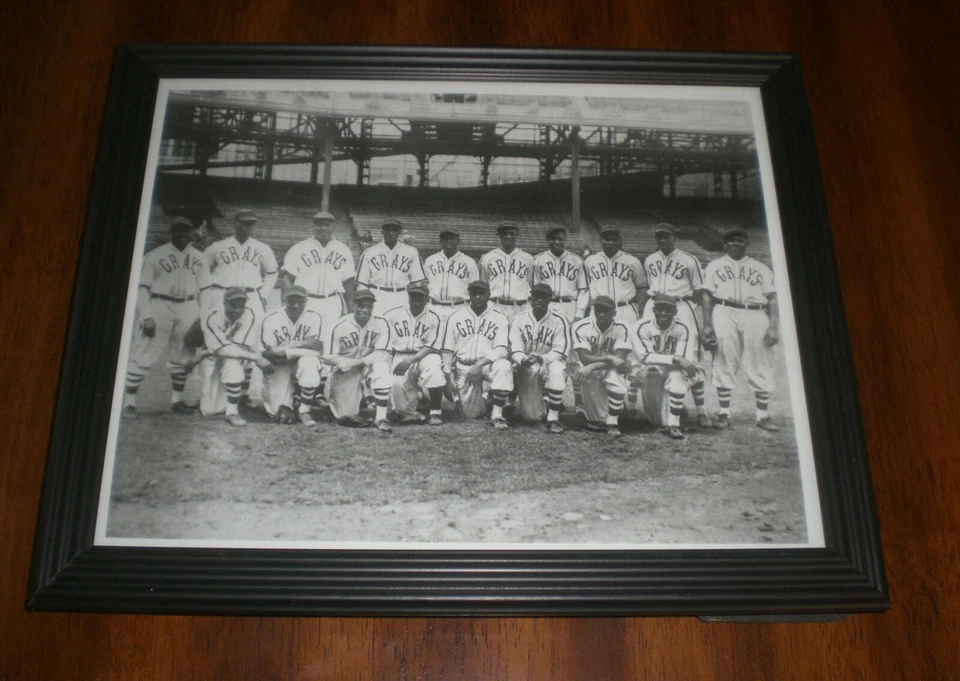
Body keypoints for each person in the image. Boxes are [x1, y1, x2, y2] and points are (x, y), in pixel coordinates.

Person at [122, 217, 210, 418]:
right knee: (144, 352)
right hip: (160, 304)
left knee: (182, 353)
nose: (180, 234)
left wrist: (203, 318)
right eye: (176, 231)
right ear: (170, 233)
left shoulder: (200, 257)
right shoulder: (154, 256)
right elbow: (142, 287)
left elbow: (206, 290)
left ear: (191, 234)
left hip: (189, 305)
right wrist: (146, 316)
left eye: (185, 231)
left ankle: (177, 401)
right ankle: (129, 403)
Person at [701, 229, 781, 431]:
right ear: (724, 244)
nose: (734, 244)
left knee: (760, 360)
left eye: (739, 241)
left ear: (747, 243)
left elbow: (772, 298)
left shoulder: (760, 267)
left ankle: (763, 415)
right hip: (724, 310)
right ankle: (724, 413)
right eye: (730, 241)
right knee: (724, 358)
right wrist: (707, 324)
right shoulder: (714, 266)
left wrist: (773, 326)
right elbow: (707, 296)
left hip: (755, 312)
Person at [203, 209, 279, 402]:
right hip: (222, 294)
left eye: (251, 223)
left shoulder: (262, 248)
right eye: (244, 222)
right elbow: (202, 271)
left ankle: (243, 394)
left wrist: (263, 293)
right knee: (218, 343)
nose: (247, 226)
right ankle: (212, 394)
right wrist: (209, 295)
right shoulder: (217, 246)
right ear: (235, 223)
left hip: (251, 295)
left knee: (250, 344)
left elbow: (272, 272)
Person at [280, 210, 357, 401]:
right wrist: (289, 301)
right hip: (307, 301)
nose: (323, 228)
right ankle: (301, 389)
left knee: (329, 346)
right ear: (313, 226)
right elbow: (287, 277)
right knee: (308, 344)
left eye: (327, 224)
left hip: (332, 301)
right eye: (319, 224)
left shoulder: (342, 249)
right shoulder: (299, 248)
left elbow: (348, 282)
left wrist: (350, 306)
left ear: (333, 227)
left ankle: (320, 392)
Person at [630, 295, 709, 439]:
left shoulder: (684, 328)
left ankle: (683, 421)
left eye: (668, 309)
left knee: (685, 373)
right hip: (652, 374)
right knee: (657, 421)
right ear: (653, 310)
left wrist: (673, 361)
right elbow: (645, 357)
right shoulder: (641, 327)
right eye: (660, 309)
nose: (664, 313)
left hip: (664, 370)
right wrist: (674, 358)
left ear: (675, 311)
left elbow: (684, 362)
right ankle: (672, 410)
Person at [440, 280, 514, 430]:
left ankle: (497, 415)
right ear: (469, 295)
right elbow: (447, 351)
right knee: (471, 414)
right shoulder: (455, 317)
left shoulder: (500, 318)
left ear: (489, 295)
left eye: (482, 293)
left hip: (488, 366)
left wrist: (479, 364)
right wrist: (448, 380)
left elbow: (503, 349)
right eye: (475, 293)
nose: (478, 297)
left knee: (504, 366)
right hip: (464, 367)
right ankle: (487, 396)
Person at [198, 287, 275, 427]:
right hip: (212, 358)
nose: (238, 310)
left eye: (241, 306)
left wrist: (252, 357)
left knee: (233, 364)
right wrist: (257, 358)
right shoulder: (211, 317)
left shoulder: (249, 314)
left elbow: (240, 347)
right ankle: (219, 397)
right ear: (224, 303)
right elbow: (221, 350)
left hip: (234, 356)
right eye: (233, 305)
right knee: (210, 410)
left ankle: (232, 411)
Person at [323, 288, 393, 432]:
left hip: (367, 366)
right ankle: (358, 396)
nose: (364, 310)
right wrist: (344, 363)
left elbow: (382, 353)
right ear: (353, 305)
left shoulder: (382, 323)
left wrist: (356, 363)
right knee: (346, 416)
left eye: (368, 306)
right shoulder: (338, 325)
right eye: (361, 305)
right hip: (345, 368)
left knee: (382, 367)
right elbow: (328, 356)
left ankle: (380, 418)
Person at [508, 283, 571, 433]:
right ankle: (516, 400)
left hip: (547, 365)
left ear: (550, 300)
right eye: (536, 296)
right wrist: (523, 359)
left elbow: (561, 351)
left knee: (557, 368)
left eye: (544, 297)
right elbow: (514, 348)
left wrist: (542, 358)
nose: (539, 300)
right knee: (532, 417)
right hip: (526, 366)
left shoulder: (559, 320)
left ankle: (553, 418)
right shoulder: (518, 319)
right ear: (530, 299)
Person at [259, 285, 325, 427]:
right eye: (291, 301)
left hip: (298, 362)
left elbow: (315, 352)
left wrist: (283, 351)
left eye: (300, 301)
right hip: (278, 365)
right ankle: (293, 396)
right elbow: (267, 353)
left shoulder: (314, 317)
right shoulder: (270, 318)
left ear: (306, 301)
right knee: (276, 411)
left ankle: (304, 410)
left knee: (310, 363)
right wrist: (300, 344)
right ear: (284, 301)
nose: (295, 305)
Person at [383, 281, 446, 425]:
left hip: (425, 355)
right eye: (413, 298)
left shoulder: (435, 317)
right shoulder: (392, 314)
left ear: (427, 299)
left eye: (420, 299)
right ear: (408, 297)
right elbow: (384, 341)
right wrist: (389, 363)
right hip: (400, 355)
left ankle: (435, 411)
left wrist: (409, 361)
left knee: (434, 368)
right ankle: (419, 397)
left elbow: (432, 347)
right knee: (401, 409)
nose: (416, 302)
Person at [639, 223, 706, 356]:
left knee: (687, 344)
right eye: (659, 237)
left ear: (674, 237)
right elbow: (649, 285)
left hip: (680, 304)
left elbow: (699, 290)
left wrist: (690, 306)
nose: (662, 240)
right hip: (655, 303)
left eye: (666, 237)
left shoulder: (689, 259)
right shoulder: (650, 260)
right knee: (652, 341)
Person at [570, 296, 632, 438]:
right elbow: (585, 359)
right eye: (598, 310)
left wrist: (592, 366)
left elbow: (620, 360)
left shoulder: (623, 327)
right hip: (591, 371)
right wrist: (609, 357)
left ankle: (613, 422)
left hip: (613, 369)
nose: (602, 314)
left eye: (606, 311)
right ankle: (613, 407)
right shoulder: (581, 326)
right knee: (596, 419)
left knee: (616, 379)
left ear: (614, 313)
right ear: (593, 311)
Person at [355, 219, 427, 317]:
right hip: (376, 294)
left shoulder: (412, 252)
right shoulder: (369, 252)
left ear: (399, 232)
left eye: (394, 230)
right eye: (388, 230)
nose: (391, 233)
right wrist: (362, 301)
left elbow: (417, 281)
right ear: (382, 232)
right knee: (376, 326)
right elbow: (362, 283)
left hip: (401, 295)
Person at [584, 226, 646, 325]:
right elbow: (586, 288)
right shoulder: (590, 261)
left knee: (628, 339)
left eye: (614, 239)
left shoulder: (632, 261)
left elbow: (641, 288)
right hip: (600, 310)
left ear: (619, 240)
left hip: (625, 309)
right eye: (607, 239)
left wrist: (641, 310)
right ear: (601, 240)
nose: (610, 242)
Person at [531, 226, 588, 323]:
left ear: (565, 239)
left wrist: (580, 314)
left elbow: (584, 290)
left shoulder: (577, 261)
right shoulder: (538, 260)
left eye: (560, 239)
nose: (557, 242)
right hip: (547, 305)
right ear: (548, 240)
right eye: (553, 238)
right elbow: (534, 289)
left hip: (570, 306)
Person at [479, 220, 534, 322]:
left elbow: (529, 282)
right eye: (504, 233)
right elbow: (485, 282)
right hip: (495, 305)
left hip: (520, 307)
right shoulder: (488, 257)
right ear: (498, 235)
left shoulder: (528, 258)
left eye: (511, 233)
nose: (508, 236)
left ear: (517, 235)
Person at [423, 229, 479, 320]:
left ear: (458, 241)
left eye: (452, 238)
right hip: (434, 307)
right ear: (440, 241)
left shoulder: (468, 262)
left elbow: (475, 288)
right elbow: (424, 284)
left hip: (459, 307)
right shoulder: (431, 260)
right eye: (445, 238)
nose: (448, 241)